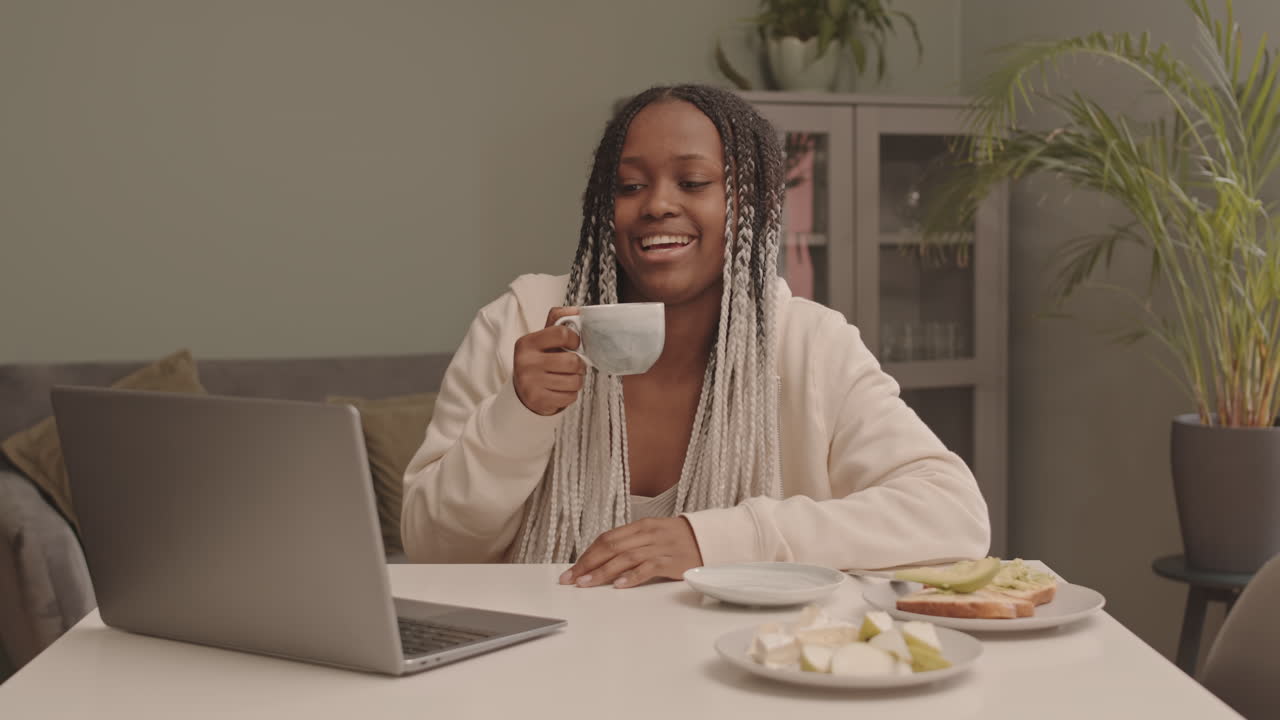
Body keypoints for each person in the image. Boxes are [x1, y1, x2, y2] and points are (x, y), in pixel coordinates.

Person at [401, 84, 990, 589]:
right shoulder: (522, 321)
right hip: (540, 666)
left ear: (749, 204)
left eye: (693, 181)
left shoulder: (809, 343)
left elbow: (954, 514)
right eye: (629, 187)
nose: (658, 204)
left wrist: (715, 540)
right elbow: (432, 548)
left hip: (741, 669)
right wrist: (520, 413)